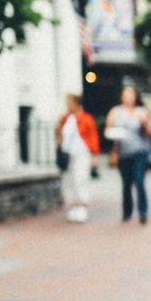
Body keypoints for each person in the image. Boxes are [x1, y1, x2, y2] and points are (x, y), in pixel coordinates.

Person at [107, 85, 151, 224]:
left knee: (139, 181)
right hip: (123, 152)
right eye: (125, 94)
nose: (128, 97)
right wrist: (115, 133)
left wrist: (144, 123)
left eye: (131, 94)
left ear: (136, 97)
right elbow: (108, 130)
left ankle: (142, 212)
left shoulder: (142, 112)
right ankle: (127, 212)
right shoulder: (115, 111)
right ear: (121, 97)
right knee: (126, 183)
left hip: (140, 151)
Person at [55, 93, 99, 223]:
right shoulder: (65, 118)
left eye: (70, 102)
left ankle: (82, 206)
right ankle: (74, 206)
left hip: (82, 152)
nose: (68, 105)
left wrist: (95, 154)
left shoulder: (85, 118)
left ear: (76, 103)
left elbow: (93, 136)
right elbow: (59, 135)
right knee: (69, 180)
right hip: (68, 154)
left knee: (80, 178)